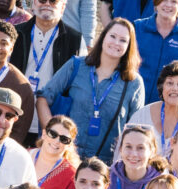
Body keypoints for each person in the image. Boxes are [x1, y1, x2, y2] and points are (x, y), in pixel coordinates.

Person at [38, 17, 143, 164]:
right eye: (112, 36)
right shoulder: (76, 65)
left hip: (103, 166)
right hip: (64, 158)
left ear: (129, 46)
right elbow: (43, 98)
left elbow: (135, 128)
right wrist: (54, 137)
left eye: (123, 40)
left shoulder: (133, 83)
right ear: (103, 37)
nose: (116, 43)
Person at [12, 0, 83, 129]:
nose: (47, 4)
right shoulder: (16, 33)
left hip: (52, 118)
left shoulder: (75, 40)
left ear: (62, 7)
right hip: (15, 116)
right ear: (34, 3)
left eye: (53, 1)